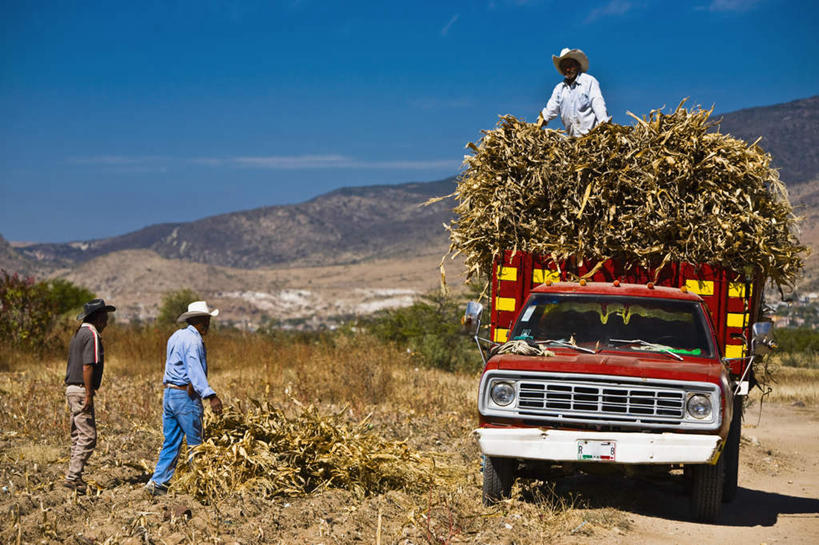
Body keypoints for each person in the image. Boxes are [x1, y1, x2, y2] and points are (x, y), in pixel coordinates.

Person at [145, 300, 223, 496]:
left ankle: (157, 483)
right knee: (196, 443)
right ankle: (199, 485)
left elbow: (177, 365)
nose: (208, 325)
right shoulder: (193, 341)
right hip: (184, 397)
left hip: (170, 393)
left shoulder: (176, 336)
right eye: (206, 320)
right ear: (199, 320)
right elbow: (195, 369)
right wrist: (211, 395)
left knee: (171, 441)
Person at [64, 298, 116, 493]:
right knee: (88, 437)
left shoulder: (79, 333)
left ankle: (74, 477)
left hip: (72, 389)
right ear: (98, 318)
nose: (106, 323)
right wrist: (88, 394)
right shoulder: (92, 334)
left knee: (77, 435)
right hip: (80, 390)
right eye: (105, 318)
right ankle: (73, 476)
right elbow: (87, 366)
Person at [539, 48, 610, 137]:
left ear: (577, 66)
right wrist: (538, 125)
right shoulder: (559, 89)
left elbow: (598, 103)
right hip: (572, 140)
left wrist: (605, 126)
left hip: (592, 137)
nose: (567, 69)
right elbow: (549, 110)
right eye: (564, 66)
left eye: (570, 65)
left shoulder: (589, 82)